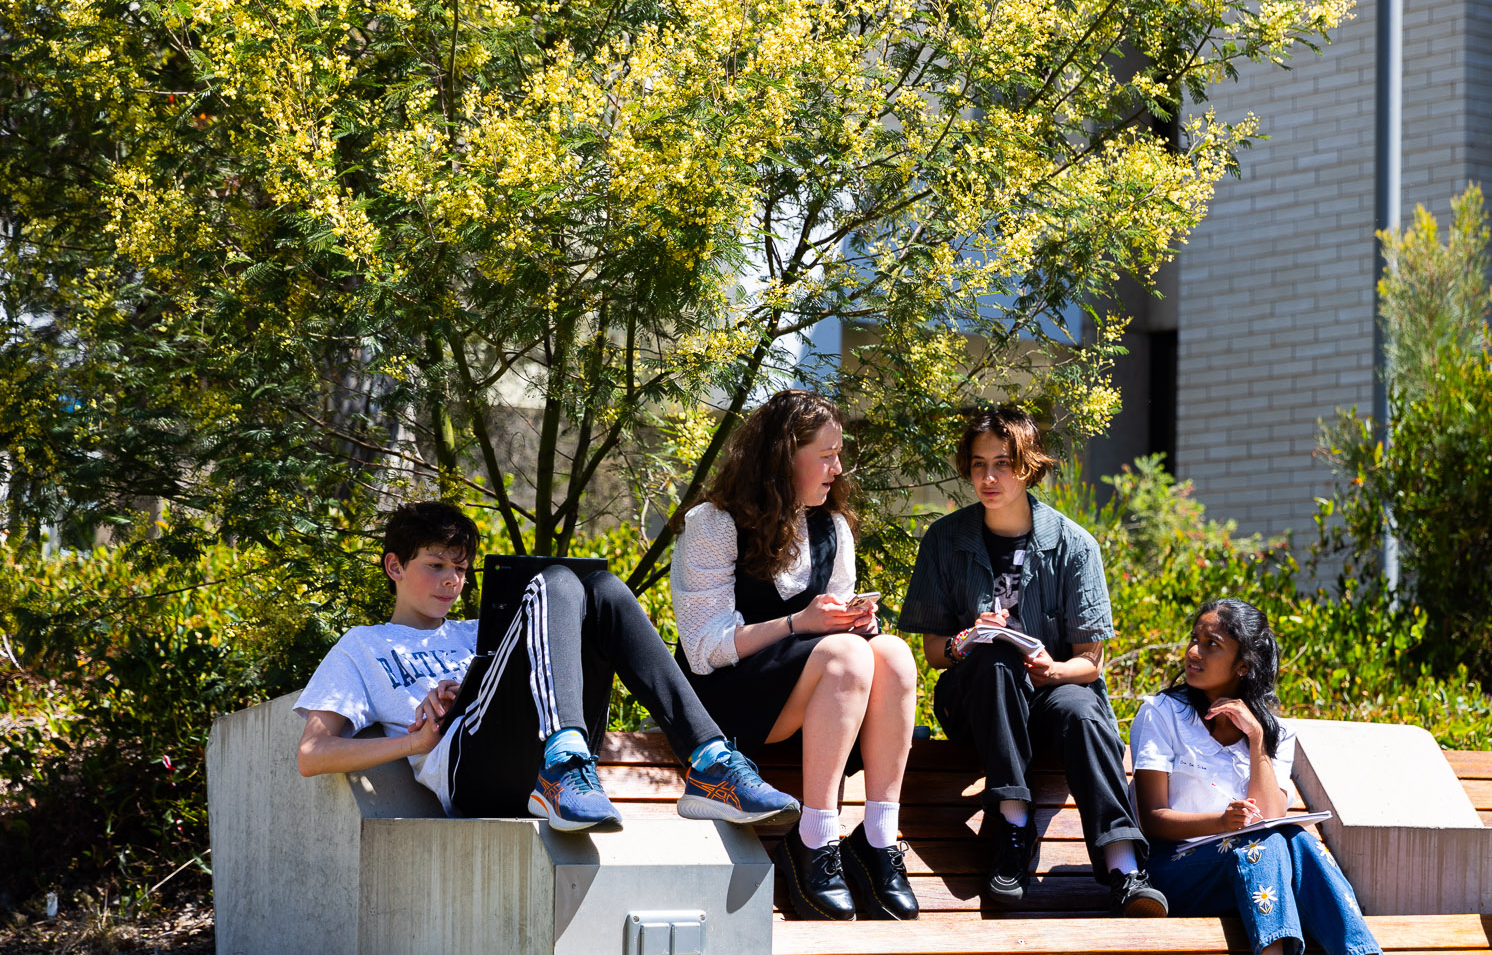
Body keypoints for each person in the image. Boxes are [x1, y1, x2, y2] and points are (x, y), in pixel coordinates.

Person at [295, 501, 797, 833]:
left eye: (461, 568)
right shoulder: (364, 646)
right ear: (394, 567)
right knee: (554, 582)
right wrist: (414, 741)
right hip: (472, 772)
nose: (452, 581)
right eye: (436, 565)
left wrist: (473, 683)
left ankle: (710, 762)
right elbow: (312, 754)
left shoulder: (478, 632)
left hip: (539, 760)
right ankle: (561, 765)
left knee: (604, 591)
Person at [1131, 598, 1445, 955]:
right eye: (1194, 640)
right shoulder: (1162, 714)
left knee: (1289, 836)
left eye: (1211, 644)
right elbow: (1153, 819)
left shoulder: (1276, 732)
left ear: (1243, 666)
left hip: (1251, 867)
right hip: (1177, 872)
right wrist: (1221, 823)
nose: (1193, 652)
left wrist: (1258, 739)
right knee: (1272, 839)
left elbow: (1270, 814)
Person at [899, 406, 1164, 916]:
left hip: (1049, 694)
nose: (989, 477)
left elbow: (1090, 663)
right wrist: (968, 640)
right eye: (978, 465)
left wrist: (1052, 668)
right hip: (974, 702)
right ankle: (1012, 828)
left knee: (1084, 711)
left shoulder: (1073, 545)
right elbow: (935, 655)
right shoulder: (945, 540)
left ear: (1029, 466)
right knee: (996, 657)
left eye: (1003, 463)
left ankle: (1124, 865)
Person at [673, 390, 920, 922]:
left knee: (894, 654)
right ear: (785, 457)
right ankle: (815, 837)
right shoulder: (712, 524)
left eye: (837, 454)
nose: (837, 468)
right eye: (825, 455)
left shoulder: (832, 527)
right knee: (848, 658)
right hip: (727, 700)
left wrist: (851, 620)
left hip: (812, 693)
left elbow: (830, 637)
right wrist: (799, 624)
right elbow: (702, 649)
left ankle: (879, 839)